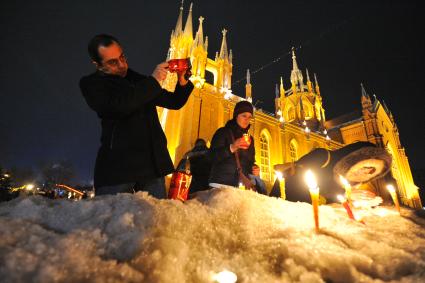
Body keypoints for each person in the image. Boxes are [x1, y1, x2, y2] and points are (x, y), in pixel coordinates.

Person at [79, 34, 194, 198]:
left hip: (152, 165)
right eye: (112, 62)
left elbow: (173, 102)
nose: (121, 64)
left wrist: (182, 81)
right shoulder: (91, 84)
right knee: (114, 219)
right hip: (118, 167)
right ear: (97, 65)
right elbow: (120, 106)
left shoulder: (137, 79)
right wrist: (153, 81)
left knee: (154, 220)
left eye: (122, 57)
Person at [208, 101, 265, 193]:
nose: (247, 120)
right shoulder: (223, 132)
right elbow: (211, 157)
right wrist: (231, 147)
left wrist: (254, 168)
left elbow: (250, 161)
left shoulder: (250, 139)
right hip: (221, 185)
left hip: (242, 186)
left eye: (249, 117)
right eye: (244, 116)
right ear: (236, 115)